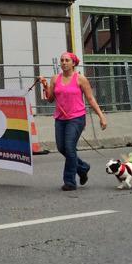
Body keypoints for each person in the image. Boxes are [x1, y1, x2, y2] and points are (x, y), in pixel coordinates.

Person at [38, 52, 108, 191]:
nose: (64, 63)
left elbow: (90, 99)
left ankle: (69, 181)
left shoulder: (80, 79)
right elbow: (50, 99)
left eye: (67, 60)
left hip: (76, 118)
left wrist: (101, 116)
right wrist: (45, 86)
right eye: (62, 60)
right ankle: (82, 168)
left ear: (73, 63)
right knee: (61, 148)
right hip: (60, 118)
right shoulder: (55, 79)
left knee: (69, 147)